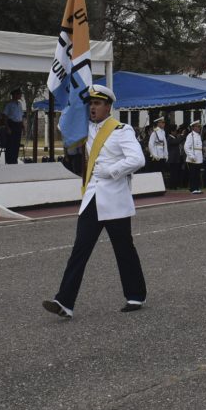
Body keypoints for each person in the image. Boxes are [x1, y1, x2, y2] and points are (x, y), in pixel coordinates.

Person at [43, 85, 147, 318]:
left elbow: (137, 159)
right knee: (80, 249)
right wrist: (73, 96)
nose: (92, 107)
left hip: (115, 200)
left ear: (108, 106)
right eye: (90, 103)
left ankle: (136, 295)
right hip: (92, 198)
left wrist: (112, 170)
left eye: (97, 103)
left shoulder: (121, 130)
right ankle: (64, 302)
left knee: (124, 250)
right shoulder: (86, 129)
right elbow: (63, 125)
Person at [3, 88, 25, 164]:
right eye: (19, 94)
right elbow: (5, 117)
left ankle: (14, 160)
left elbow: (21, 116)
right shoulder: (9, 104)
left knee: (16, 144)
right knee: (11, 145)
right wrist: (7, 127)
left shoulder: (19, 104)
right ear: (14, 95)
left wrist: (23, 126)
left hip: (18, 125)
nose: (20, 95)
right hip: (12, 125)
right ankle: (9, 161)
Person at [184, 119, 204, 194]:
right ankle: (193, 188)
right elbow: (186, 147)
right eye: (198, 127)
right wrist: (191, 156)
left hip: (198, 158)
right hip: (192, 158)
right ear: (193, 127)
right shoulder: (190, 136)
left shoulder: (198, 136)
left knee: (197, 174)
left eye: (199, 127)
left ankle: (197, 187)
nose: (199, 128)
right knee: (193, 174)